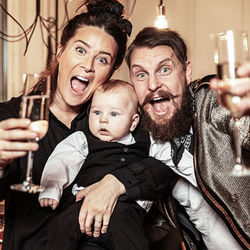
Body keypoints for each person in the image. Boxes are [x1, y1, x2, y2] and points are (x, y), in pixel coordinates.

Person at [0, 1, 177, 249]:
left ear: (112, 71)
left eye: (102, 60)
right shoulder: (11, 117)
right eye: (80, 50)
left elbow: (169, 164)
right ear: (61, 52)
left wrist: (116, 183)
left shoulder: (118, 121)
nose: (89, 66)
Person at [125, 27, 249, 250]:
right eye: (141, 74)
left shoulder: (213, 103)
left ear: (186, 72)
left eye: (164, 69)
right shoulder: (143, 141)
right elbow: (153, 228)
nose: (152, 84)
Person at [38, 79, 152, 250]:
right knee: (62, 225)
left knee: (132, 239)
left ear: (133, 122)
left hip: (125, 208)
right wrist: (51, 188)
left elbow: (157, 168)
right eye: (96, 112)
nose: (103, 120)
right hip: (84, 204)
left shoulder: (145, 140)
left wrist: (144, 202)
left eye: (114, 114)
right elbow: (61, 160)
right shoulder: (82, 138)